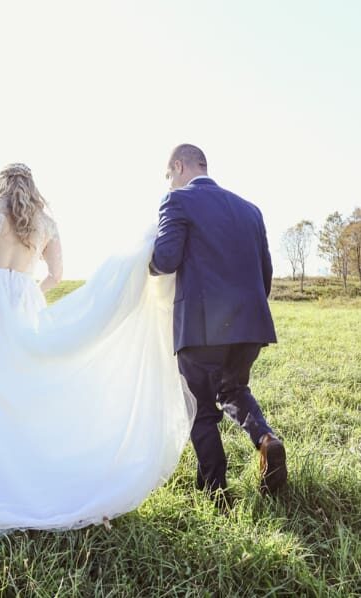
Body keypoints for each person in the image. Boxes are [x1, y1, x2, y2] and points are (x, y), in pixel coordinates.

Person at [0, 162, 196, 538]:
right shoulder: (47, 222)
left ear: (1, 183)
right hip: (23, 303)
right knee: (18, 383)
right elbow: (56, 275)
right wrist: (27, 295)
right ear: (31, 185)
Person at [150, 144, 287, 503]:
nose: (169, 184)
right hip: (250, 325)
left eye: (169, 176)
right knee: (233, 390)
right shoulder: (250, 210)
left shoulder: (177, 202)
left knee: (201, 409)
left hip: (201, 326)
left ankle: (215, 490)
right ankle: (266, 440)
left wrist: (138, 271)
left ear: (178, 166)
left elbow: (164, 260)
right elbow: (265, 273)